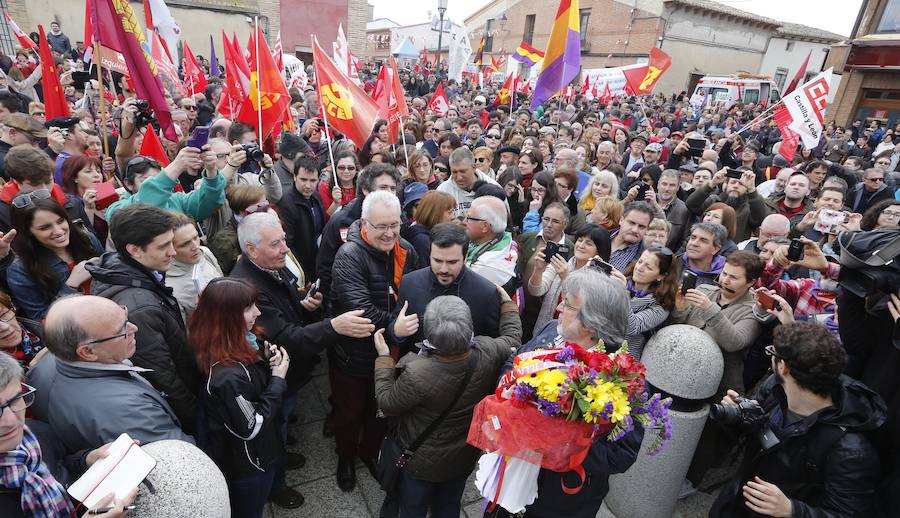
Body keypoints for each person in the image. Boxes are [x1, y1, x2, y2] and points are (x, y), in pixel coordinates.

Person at [489, 268, 642, 518]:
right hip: (508, 473)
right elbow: (513, 362)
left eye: (568, 305)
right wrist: (508, 394)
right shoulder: (551, 329)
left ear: (593, 322)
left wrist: (559, 440)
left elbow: (622, 454)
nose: (559, 309)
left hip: (558, 501)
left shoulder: (622, 379)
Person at [710, 322, 885, 518]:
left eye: (772, 353)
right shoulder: (774, 388)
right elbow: (756, 436)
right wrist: (740, 415)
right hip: (738, 502)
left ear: (783, 367)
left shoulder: (851, 450)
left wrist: (792, 510)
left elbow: (849, 514)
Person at [374, 292, 522, 518]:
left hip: (420, 463)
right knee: (449, 506)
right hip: (462, 457)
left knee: (412, 508)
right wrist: (508, 305)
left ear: (430, 334)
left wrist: (384, 359)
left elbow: (387, 403)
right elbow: (512, 340)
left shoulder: (417, 373)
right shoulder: (487, 351)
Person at [330, 191, 418, 492]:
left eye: (395, 224)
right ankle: (345, 458)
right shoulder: (349, 256)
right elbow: (363, 312)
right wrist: (399, 325)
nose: (390, 233)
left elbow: (415, 292)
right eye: (382, 226)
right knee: (350, 412)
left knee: (380, 412)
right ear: (364, 223)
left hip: (393, 354)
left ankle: (369, 453)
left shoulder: (405, 248)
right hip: (354, 355)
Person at [190, 277, 299, 516]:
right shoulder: (227, 376)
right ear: (227, 316)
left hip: (257, 452)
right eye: (249, 308)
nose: (258, 313)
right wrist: (278, 379)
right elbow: (251, 426)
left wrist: (265, 359)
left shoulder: (230, 340)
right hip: (251, 464)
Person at [86, 204, 200, 433]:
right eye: (164, 246)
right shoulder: (139, 309)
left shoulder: (135, 272)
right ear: (135, 250)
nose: (173, 252)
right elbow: (164, 377)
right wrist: (198, 418)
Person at [28, 295, 193, 452]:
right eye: (122, 330)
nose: (134, 328)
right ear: (87, 352)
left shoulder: (42, 365)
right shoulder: (128, 413)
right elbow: (184, 457)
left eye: (125, 316)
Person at [0, 352, 137, 517]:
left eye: (15, 400)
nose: (10, 421)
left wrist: (86, 460)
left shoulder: (35, 433)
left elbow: (59, 467)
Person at [389, 223, 502, 349]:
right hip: (418, 365)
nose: (444, 269)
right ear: (429, 255)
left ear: (465, 258)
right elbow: (395, 333)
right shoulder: (410, 283)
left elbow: (494, 346)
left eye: (452, 262)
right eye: (437, 260)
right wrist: (396, 332)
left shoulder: (486, 293)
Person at [666, 251, 765, 394]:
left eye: (734, 277)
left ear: (751, 282)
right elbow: (675, 330)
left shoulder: (753, 310)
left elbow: (734, 343)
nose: (725, 281)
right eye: (724, 273)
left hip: (718, 387)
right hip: (679, 371)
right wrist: (679, 310)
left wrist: (709, 308)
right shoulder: (705, 291)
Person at [6, 196, 103, 321]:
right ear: (28, 231)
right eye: (45, 228)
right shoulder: (20, 270)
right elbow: (42, 320)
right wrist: (71, 286)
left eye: (60, 221)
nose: (58, 231)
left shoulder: (86, 239)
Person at [316, 163, 402, 304]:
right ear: (365, 190)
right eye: (383, 188)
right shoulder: (342, 220)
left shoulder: (399, 217)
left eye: (393, 188)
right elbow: (325, 266)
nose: (389, 193)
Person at [530, 224, 611, 333]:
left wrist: (566, 277)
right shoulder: (563, 263)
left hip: (572, 333)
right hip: (547, 329)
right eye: (580, 240)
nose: (581, 245)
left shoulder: (597, 279)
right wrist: (538, 270)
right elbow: (536, 290)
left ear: (599, 250)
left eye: (588, 244)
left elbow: (579, 307)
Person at [0, 145, 92, 236]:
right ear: (16, 181)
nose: (45, 190)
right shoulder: (3, 214)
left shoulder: (72, 203)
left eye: (48, 182)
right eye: (35, 184)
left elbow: (91, 244)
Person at [608, 246, 679, 360]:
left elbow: (632, 327)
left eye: (649, 267)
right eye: (640, 261)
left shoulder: (661, 305)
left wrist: (623, 293)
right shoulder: (620, 281)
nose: (639, 268)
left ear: (661, 276)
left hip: (623, 361)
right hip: (597, 346)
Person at [164, 213, 223, 320]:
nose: (195, 246)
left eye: (196, 237)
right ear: (169, 248)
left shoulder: (205, 252)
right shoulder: (169, 286)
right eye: (185, 244)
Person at [685, 168, 768, 242]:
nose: (735, 186)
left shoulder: (750, 208)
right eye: (733, 182)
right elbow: (691, 205)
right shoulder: (714, 200)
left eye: (741, 184)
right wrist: (712, 183)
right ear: (726, 185)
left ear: (746, 188)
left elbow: (760, 218)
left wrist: (752, 190)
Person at [278, 155, 326, 282]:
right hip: (301, 267)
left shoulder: (316, 197)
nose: (308, 185)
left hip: (318, 261)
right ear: (294, 177)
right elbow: (288, 243)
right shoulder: (287, 203)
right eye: (303, 180)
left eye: (312, 180)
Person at [464, 196, 519, 294]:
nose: (464, 222)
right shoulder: (505, 239)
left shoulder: (484, 266)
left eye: (468, 218)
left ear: (485, 226)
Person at [437, 147, 500, 218]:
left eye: (463, 171)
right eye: (454, 172)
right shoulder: (443, 191)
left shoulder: (493, 188)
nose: (459, 177)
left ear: (474, 167)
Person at [401, 190, 457, 270]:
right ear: (436, 214)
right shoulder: (421, 241)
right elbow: (424, 274)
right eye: (450, 212)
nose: (453, 217)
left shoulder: (433, 234)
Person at [609, 201, 654, 271]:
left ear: (647, 229)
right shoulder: (598, 237)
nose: (635, 230)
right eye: (631, 223)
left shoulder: (645, 258)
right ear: (621, 220)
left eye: (641, 226)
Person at [653, 169, 691, 250]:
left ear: (678, 187)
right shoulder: (645, 202)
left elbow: (684, 240)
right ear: (658, 184)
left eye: (672, 185)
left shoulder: (684, 210)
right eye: (664, 184)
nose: (667, 188)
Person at [681, 222, 727, 286]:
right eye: (693, 238)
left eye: (703, 240)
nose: (694, 243)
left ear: (715, 249)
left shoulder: (724, 277)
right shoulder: (673, 264)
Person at [319, 152, 359, 219]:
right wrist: (335, 203)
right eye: (341, 167)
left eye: (351, 168)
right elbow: (324, 219)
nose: (346, 171)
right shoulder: (325, 187)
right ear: (335, 169)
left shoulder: (363, 188)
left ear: (356, 170)